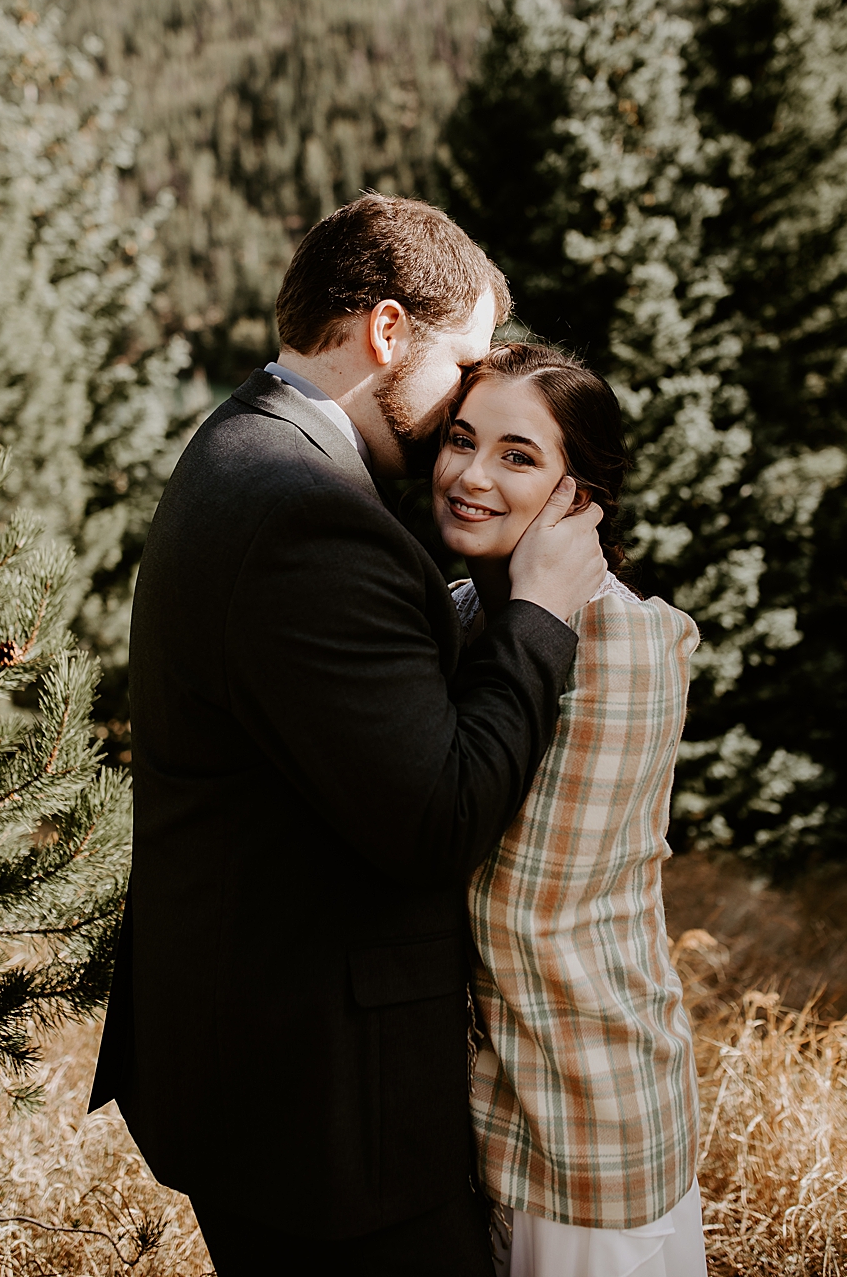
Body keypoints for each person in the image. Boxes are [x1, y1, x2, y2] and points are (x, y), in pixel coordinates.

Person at [89, 194, 609, 1276]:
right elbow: (435, 817)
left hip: (249, 1061)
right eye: (460, 366)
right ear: (384, 334)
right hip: (323, 1111)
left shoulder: (238, 443)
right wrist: (541, 615)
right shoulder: (304, 510)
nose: (466, 399)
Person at [430, 343, 706, 1277]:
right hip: (517, 1109)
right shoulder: (477, 607)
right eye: (461, 441)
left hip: (583, 1122)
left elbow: (520, 908)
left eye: (518, 456)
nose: (470, 475)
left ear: (578, 494)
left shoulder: (614, 642)